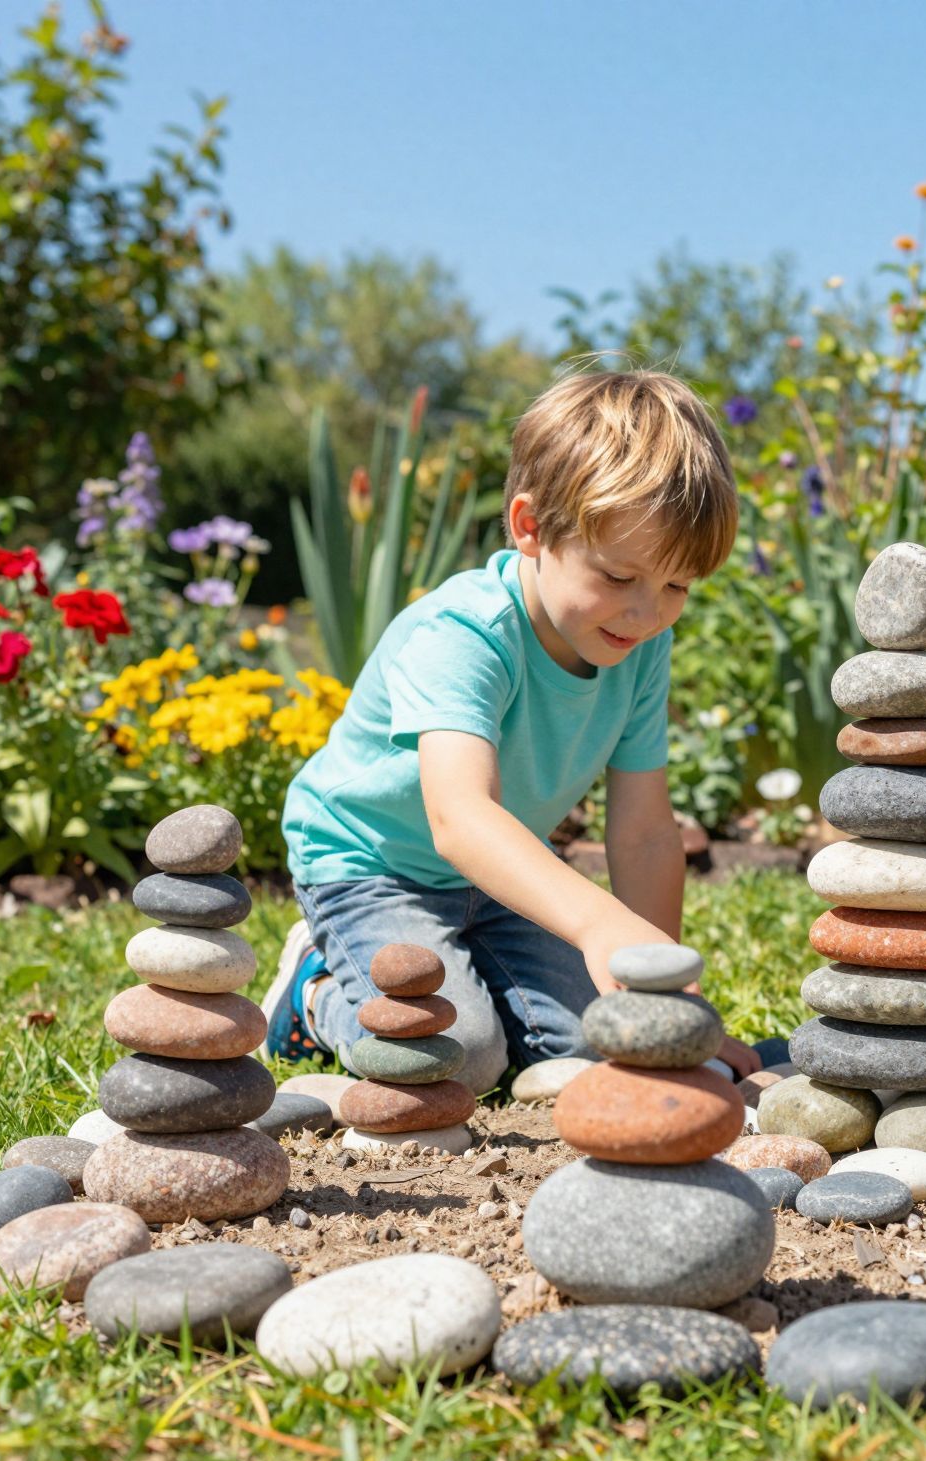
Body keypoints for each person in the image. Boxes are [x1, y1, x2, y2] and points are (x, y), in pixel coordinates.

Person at [261, 368, 759, 1093]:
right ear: (530, 528)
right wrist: (596, 926)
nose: (648, 612)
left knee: (597, 1048)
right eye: (620, 576)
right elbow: (460, 819)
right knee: (459, 1053)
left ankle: (469, 975)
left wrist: (658, 999)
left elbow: (646, 831)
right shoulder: (464, 634)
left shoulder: (637, 644)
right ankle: (311, 989)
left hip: (496, 880)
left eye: (677, 585)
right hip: (371, 866)